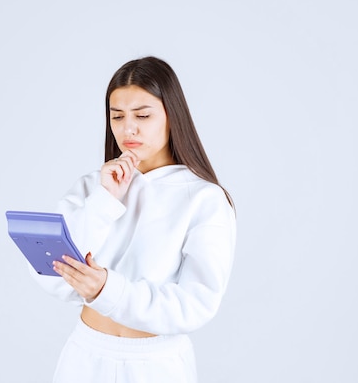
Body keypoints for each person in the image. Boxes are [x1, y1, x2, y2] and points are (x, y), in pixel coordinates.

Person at [31, 56, 236, 383]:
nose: (129, 128)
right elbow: (54, 277)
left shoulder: (203, 199)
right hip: (85, 358)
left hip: (156, 366)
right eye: (117, 116)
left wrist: (107, 290)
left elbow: (196, 304)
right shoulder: (92, 186)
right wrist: (104, 199)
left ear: (172, 115)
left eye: (143, 115)